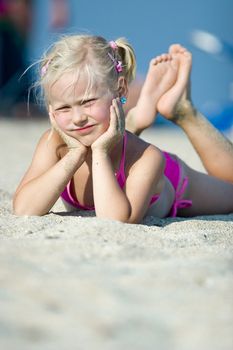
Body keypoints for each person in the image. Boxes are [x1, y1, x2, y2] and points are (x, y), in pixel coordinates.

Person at [13, 34, 233, 222]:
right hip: (121, 152)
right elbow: (24, 209)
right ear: (51, 110)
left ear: (120, 90)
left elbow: (115, 219)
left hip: (172, 182)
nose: (78, 118)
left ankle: (185, 112)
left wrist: (99, 151)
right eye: (63, 108)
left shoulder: (149, 157)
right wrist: (74, 155)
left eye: (87, 102)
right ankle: (134, 121)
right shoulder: (54, 144)